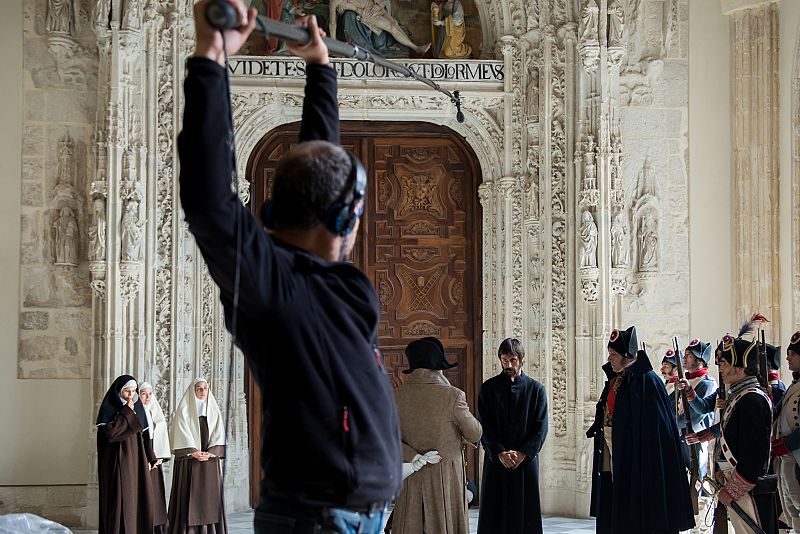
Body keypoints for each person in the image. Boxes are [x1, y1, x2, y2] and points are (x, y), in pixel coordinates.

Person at [180, 3, 401, 533]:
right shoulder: (270, 285)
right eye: (359, 209)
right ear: (343, 218)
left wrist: (321, 69)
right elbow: (210, 200)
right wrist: (210, 59)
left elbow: (318, 170)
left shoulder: (330, 278)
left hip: (361, 515)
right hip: (314, 518)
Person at [586, 326, 694, 534]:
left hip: (640, 462)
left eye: (614, 354)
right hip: (613, 453)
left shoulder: (648, 381)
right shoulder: (618, 378)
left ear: (628, 356)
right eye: (610, 353)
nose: (610, 358)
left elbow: (658, 431)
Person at [686, 322, 778, 534]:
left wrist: (734, 489)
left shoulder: (751, 400)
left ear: (741, 368)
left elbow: (755, 452)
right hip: (738, 482)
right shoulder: (741, 398)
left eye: (725, 364)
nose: (721, 369)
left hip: (746, 486)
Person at [390, 337, 482, 534]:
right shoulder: (453, 396)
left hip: (410, 476)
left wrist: (414, 456)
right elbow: (475, 433)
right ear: (439, 368)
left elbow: (388, 439)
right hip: (446, 479)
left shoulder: (396, 395)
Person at [477, 338, 548, 534]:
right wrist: (499, 452)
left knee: (525, 514)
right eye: (504, 360)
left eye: (513, 360)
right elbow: (483, 424)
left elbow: (541, 427)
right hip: (496, 460)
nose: (508, 365)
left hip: (525, 461)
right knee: (495, 513)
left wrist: (523, 453)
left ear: (521, 359)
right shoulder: (488, 388)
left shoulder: (537, 390)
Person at [96, 375, 157, 534]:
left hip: (136, 463)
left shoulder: (137, 408)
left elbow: (145, 435)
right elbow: (112, 434)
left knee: (137, 498)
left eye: (134, 391)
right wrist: (126, 412)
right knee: (119, 499)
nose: (131, 395)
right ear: (119, 392)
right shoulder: (110, 409)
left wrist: (151, 457)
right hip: (116, 462)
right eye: (127, 392)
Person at [168, 378, 227, 534]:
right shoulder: (183, 410)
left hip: (209, 460)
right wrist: (192, 452)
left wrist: (211, 453)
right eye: (198, 388)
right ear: (193, 391)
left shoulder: (214, 411)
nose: (202, 392)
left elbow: (218, 432)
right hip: (189, 460)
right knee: (188, 497)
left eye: (205, 388)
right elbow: (181, 432)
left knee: (209, 498)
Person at [768, 332, 800, 532]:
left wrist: (785, 444)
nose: (787, 357)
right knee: (792, 514)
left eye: (793, 354)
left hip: (795, 460)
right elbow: (774, 413)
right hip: (787, 462)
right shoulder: (794, 386)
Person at [140, 382, 170, 534]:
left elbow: (160, 435)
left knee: (156, 495)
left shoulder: (154, 413)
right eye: (144, 393)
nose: (147, 397)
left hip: (154, 460)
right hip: (142, 459)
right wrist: (144, 460)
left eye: (150, 394)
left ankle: (157, 527)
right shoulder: (136, 413)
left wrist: (157, 458)